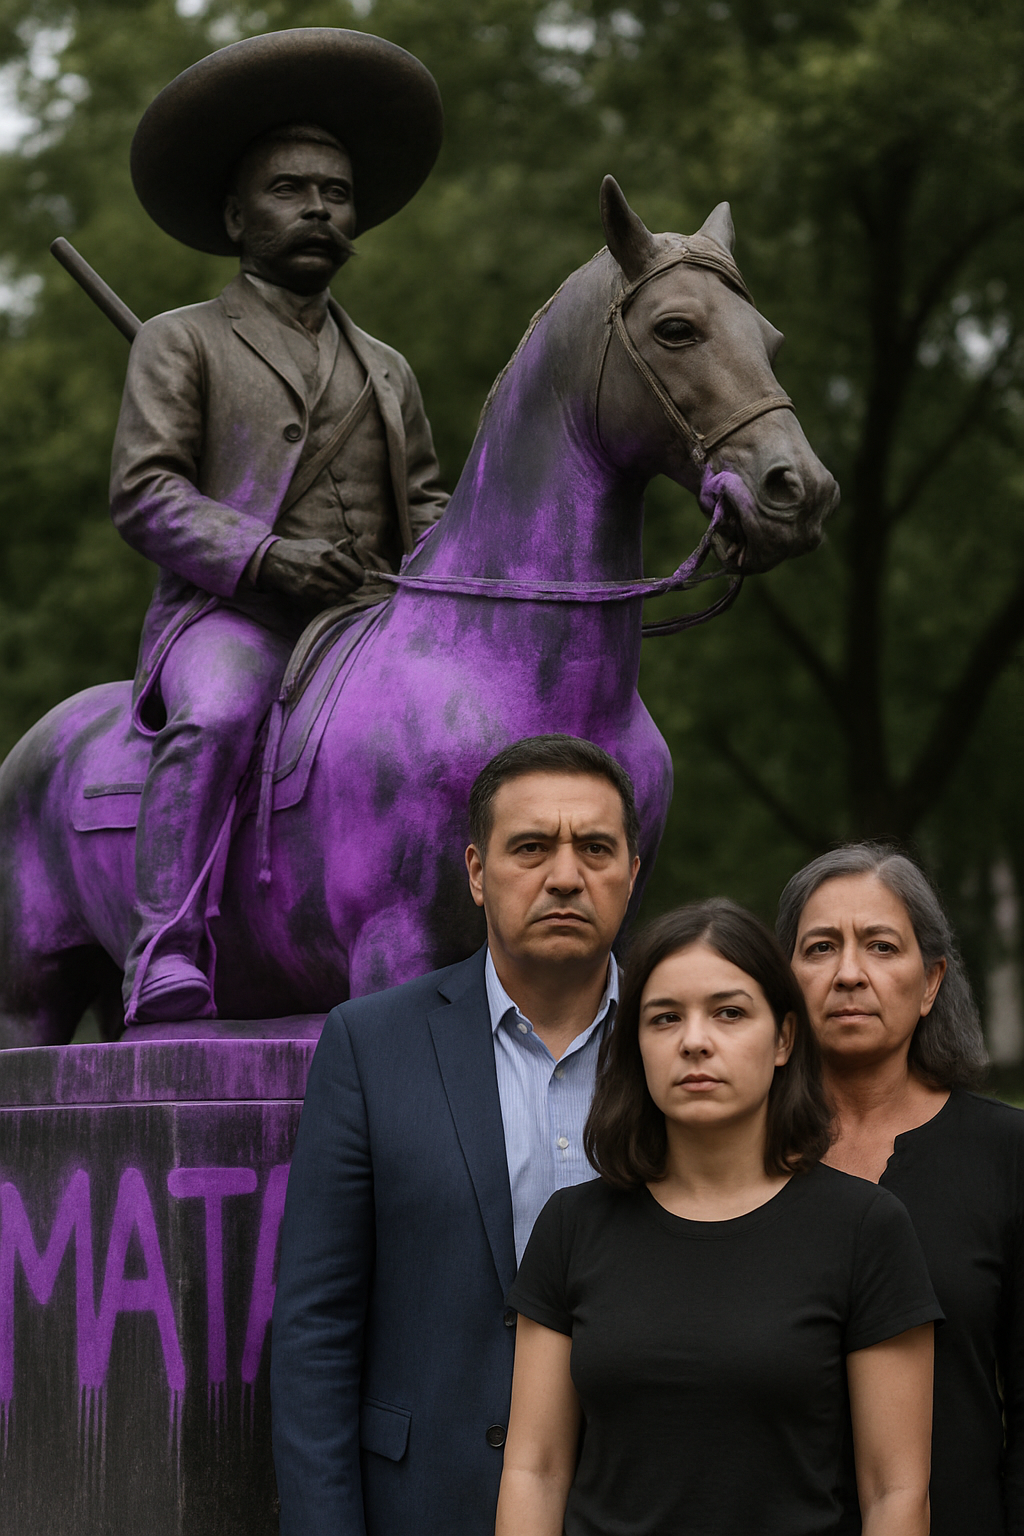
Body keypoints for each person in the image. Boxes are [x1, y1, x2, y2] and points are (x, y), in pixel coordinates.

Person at [110, 30, 449, 1022]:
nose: (317, 208)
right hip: (232, 618)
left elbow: (422, 501)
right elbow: (147, 492)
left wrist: (451, 568)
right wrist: (265, 556)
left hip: (370, 623)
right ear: (233, 214)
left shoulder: (387, 366)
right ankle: (163, 947)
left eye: (335, 193)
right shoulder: (184, 342)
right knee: (215, 712)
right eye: (291, 188)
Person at [270, 734, 641, 1536]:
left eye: (597, 849)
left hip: (646, 1501)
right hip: (429, 1502)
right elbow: (314, 1332)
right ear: (477, 873)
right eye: (532, 848)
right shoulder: (372, 1046)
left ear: (632, 873)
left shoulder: (684, 1046)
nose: (567, 876)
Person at [499, 900, 941, 1536]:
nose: (695, 1040)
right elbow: (534, 1470)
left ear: (784, 1038)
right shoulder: (573, 1225)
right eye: (665, 1018)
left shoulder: (865, 1228)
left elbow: (895, 1492)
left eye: (729, 1013)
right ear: (637, 1046)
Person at [778, 843, 1023, 1536]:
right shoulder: (738, 1159)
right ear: (784, 981)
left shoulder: (1006, 1154)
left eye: (881, 947)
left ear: (930, 983)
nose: (850, 973)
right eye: (820, 947)